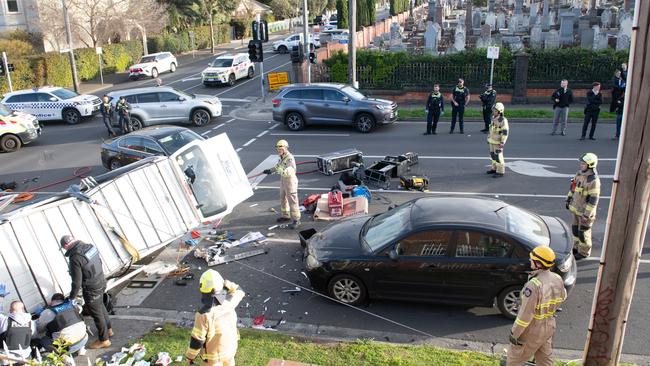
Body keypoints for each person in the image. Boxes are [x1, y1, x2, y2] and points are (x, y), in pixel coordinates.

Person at [506, 246, 567, 366]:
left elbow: (525, 315)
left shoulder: (533, 285)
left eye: (532, 259)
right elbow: (563, 297)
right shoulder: (557, 278)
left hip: (532, 330)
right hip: (549, 326)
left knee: (514, 361)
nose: (530, 261)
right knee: (545, 361)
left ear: (538, 263)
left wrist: (515, 334)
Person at [60, 235, 113, 349]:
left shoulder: (75, 258)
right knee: (100, 305)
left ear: (65, 246)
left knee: (96, 314)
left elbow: (76, 282)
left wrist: (71, 297)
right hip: (101, 281)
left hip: (91, 288)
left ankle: (104, 340)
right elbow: (99, 262)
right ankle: (109, 330)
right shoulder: (89, 247)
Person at [186, 270, 245, 366]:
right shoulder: (230, 301)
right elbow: (240, 291)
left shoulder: (203, 315)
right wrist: (226, 283)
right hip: (230, 350)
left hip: (212, 358)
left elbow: (197, 340)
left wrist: (190, 356)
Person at [566, 153, 600, 260]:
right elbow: (573, 188)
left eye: (583, 164)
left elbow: (593, 200)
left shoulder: (593, 181)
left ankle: (584, 252)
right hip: (576, 210)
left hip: (584, 214)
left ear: (590, 165)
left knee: (583, 233)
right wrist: (568, 199)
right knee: (575, 230)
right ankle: (576, 248)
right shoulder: (579, 174)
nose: (581, 165)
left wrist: (586, 215)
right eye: (581, 163)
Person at [263, 140, 301, 229]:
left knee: (292, 200)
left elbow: (291, 170)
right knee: (283, 198)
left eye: (280, 148)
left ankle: (296, 220)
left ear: (285, 148)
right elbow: (278, 166)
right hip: (283, 180)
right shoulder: (282, 157)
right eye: (278, 149)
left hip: (290, 181)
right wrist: (270, 170)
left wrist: (283, 171)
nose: (278, 150)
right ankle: (286, 216)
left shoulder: (289, 158)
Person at [486, 102, 509, 178]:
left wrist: (502, 142)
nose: (493, 111)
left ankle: (500, 171)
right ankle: (494, 168)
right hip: (492, 141)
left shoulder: (502, 120)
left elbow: (505, 132)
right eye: (493, 110)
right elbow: (491, 129)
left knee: (498, 156)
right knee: (493, 156)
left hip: (498, 142)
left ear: (500, 111)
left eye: (495, 110)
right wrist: (488, 138)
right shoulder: (493, 118)